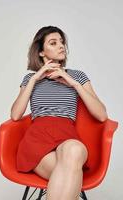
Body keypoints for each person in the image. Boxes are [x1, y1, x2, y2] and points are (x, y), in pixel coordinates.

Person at [10, 26, 108, 200]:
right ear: (41, 52)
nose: (61, 46)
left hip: (66, 137)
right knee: (70, 172)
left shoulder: (77, 76)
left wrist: (73, 84)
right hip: (37, 141)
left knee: (75, 150)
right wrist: (34, 78)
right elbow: (15, 115)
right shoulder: (30, 78)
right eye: (53, 43)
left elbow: (101, 115)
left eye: (62, 42)